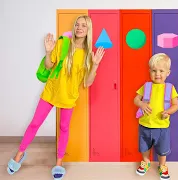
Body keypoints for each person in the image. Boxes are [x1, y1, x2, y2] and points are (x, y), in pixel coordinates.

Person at [6, 15, 105, 180]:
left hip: (69, 97)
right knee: (35, 123)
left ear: (88, 30)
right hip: (51, 92)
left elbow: (87, 83)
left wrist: (95, 65)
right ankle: (19, 155)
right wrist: (48, 52)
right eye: (77, 25)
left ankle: (59, 163)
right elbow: (48, 65)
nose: (79, 28)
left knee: (64, 128)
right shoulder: (63, 43)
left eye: (83, 26)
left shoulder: (89, 54)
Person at [134, 53, 178, 180]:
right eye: (154, 71)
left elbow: (176, 105)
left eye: (161, 71)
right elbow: (136, 100)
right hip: (145, 124)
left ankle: (162, 166)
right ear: (149, 71)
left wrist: (168, 111)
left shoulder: (170, 88)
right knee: (144, 147)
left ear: (168, 73)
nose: (157, 74)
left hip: (161, 126)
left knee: (162, 149)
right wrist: (141, 104)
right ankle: (146, 161)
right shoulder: (146, 86)